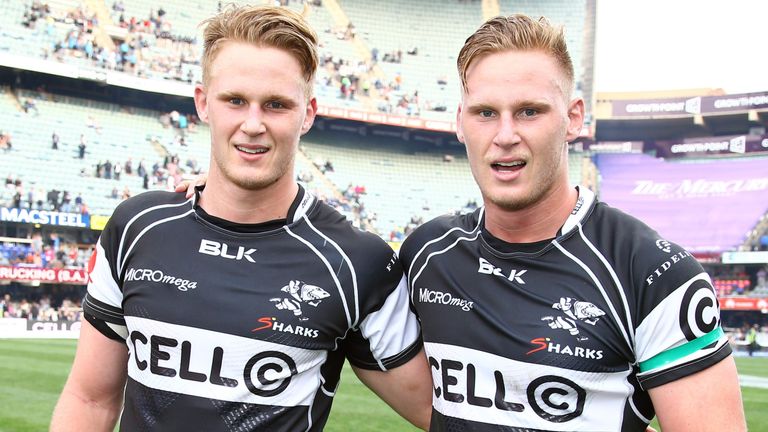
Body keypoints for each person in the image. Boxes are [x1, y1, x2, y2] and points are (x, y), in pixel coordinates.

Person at [51, 5, 431, 431]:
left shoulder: (354, 262)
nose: (253, 124)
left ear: (307, 113)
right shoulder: (137, 228)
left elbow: (442, 413)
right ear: (203, 103)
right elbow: (89, 399)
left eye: (276, 105)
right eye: (235, 100)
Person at [397, 14, 745, 431]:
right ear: (460, 122)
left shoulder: (652, 272)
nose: (505, 135)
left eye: (529, 111)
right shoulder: (427, 253)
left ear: (573, 117)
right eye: (485, 113)